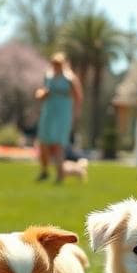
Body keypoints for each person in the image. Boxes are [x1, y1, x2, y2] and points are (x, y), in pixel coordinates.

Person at [33, 52, 82, 183]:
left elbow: (78, 97)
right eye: (54, 63)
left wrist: (75, 114)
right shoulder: (48, 76)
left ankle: (60, 175)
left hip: (63, 113)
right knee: (43, 142)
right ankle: (44, 171)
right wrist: (41, 94)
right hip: (48, 111)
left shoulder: (70, 78)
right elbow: (43, 90)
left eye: (58, 64)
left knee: (58, 144)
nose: (55, 66)